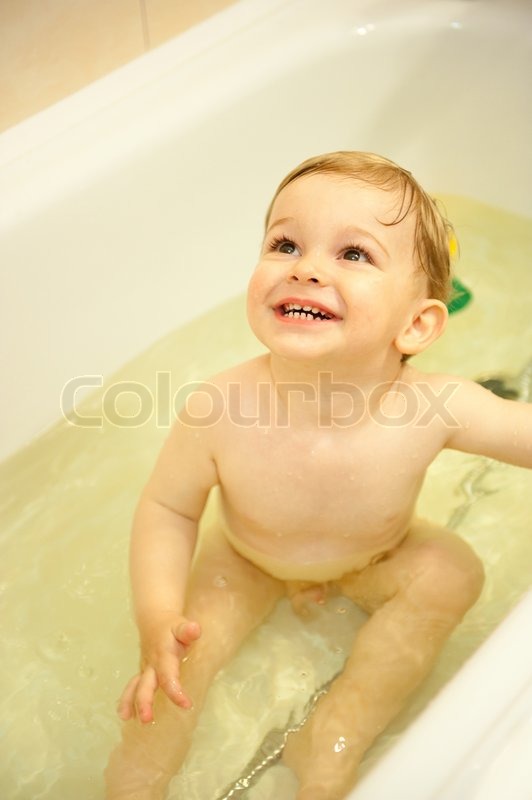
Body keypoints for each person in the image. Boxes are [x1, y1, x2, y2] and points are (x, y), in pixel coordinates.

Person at [105, 151, 532, 800]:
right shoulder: (219, 406)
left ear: (417, 324)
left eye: (352, 255)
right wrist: (157, 614)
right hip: (245, 561)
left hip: (376, 556)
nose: (305, 268)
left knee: (451, 573)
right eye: (284, 243)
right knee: (172, 670)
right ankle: (133, 786)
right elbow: (169, 509)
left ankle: (338, 728)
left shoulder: (436, 406)